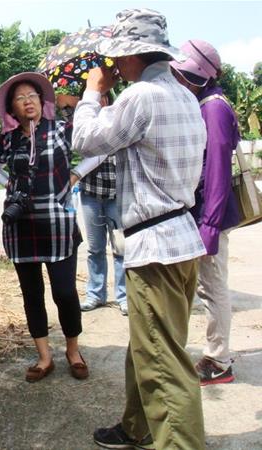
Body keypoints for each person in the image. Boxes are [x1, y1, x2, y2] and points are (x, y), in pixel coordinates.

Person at [72, 9, 208, 449]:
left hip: (156, 245)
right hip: (181, 240)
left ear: (134, 56)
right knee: (148, 344)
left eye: (118, 59)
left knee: (163, 365)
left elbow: (84, 142)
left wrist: (93, 94)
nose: (114, 67)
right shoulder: (185, 96)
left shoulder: (141, 97)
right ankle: (138, 425)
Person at [0, 72, 97, 383]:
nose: (27, 101)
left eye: (32, 95)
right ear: (12, 109)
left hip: (58, 225)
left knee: (64, 292)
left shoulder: (61, 130)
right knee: (32, 293)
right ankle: (44, 357)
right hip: (22, 228)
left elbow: (96, 151)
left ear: (42, 101)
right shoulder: (8, 139)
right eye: (20, 98)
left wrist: (74, 175)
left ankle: (73, 351)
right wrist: (8, 183)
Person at [171, 40, 241, 385]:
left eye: (182, 75)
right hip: (202, 212)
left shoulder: (213, 108)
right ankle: (217, 353)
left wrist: (209, 225)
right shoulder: (206, 103)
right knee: (208, 286)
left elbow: (216, 171)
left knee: (213, 287)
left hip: (209, 214)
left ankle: (219, 360)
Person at [58, 93, 128, 316]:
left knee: (120, 249)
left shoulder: (119, 118)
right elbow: (61, 101)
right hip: (90, 194)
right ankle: (96, 294)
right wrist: (82, 99)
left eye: (103, 97)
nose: (100, 102)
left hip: (116, 194)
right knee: (95, 248)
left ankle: (124, 296)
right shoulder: (82, 121)